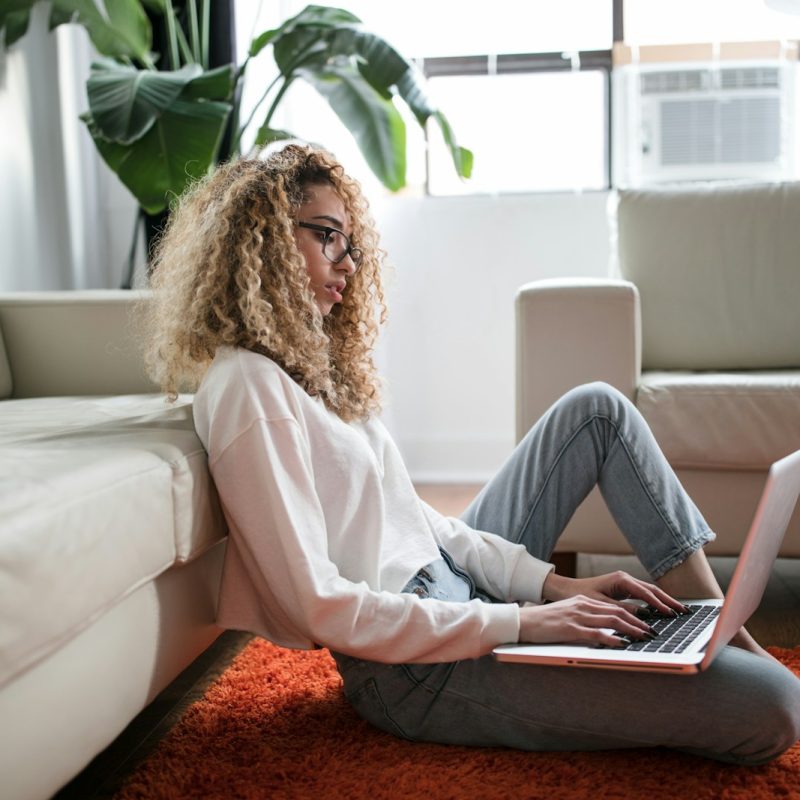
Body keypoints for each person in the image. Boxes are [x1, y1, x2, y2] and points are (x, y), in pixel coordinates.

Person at [143, 143, 800, 765]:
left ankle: (716, 628)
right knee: (773, 706)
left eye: (351, 241)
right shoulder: (245, 386)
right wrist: (521, 623)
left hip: (460, 597)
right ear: (261, 242)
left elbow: (421, 524)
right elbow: (317, 605)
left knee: (597, 410)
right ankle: (718, 651)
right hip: (415, 672)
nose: (348, 260)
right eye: (326, 234)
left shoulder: (317, 371)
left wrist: (552, 587)